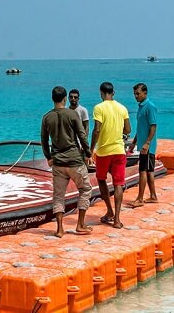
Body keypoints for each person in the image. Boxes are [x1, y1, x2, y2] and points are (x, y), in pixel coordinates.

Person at [40, 85, 93, 237]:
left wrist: (48, 157)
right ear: (65, 99)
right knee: (85, 189)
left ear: (52, 99)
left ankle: (59, 229)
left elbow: (43, 140)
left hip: (57, 162)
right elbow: (82, 135)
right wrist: (88, 153)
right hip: (74, 160)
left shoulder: (46, 117)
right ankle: (80, 224)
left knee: (58, 196)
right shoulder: (72, 114)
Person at [89, 81, 131, 229]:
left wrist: (91, 148)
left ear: (101, 93)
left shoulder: (99, 108)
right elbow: (128, 129)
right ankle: (117, 219)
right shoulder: (122, 108)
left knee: (101, 179)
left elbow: (96, 130)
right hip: (119, 150)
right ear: (113, 93)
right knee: (118, 183)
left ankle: (109, 211)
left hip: (104, 151)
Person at [126, 82, 159, 208]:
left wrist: (147, 143)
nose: (136, 96)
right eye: (134, 94)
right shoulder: (141, 107)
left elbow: (153, 126)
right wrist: (133, 143)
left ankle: (140, 199)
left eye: (138, 94)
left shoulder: (150, 106)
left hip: (148, 146)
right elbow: (140, 128)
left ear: (145, 93)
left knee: (143, 171)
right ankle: (153, 196)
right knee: (149, 171)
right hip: (142, 144)